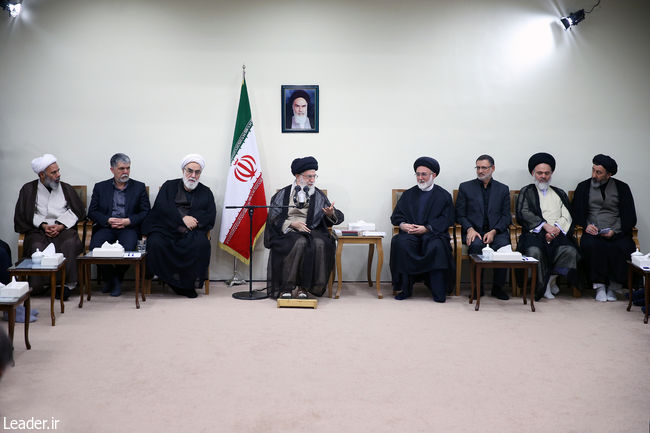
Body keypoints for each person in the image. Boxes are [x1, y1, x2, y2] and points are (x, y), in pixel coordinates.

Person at [265, 156, 343, 299]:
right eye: (308, 177)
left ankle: (304, 287)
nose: (312, 180)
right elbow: (273, 217)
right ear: (297, 176)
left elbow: (331, 215)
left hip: (311, 230)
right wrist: (292, 224)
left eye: (314, 176)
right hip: (288, 231)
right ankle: (286, 287)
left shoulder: (318, 195)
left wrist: (330, 214)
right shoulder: (283, 194)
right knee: (299, 242)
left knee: (318, 242)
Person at [142, 154, 216, 298]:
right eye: (190, 171)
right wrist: (182, 219)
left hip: (192, 231)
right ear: (183, 170)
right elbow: (161, 209)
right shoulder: (169, 186)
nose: (193, 175)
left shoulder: (206, 192)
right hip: (167, 229)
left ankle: (186, 284)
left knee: (202, 244)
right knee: (155, 242)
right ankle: (170, 280)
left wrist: (193, 222)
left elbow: (210, 215)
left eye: (197, 172)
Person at [14, 154, 85, 300]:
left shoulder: (66, 188)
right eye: (53, 172)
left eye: (58, 171)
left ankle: (64, 286)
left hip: (63, 228)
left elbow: (77, 211)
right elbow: (25, 214)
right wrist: (43, 225)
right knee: (36, 246)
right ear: (42, 175)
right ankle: (40, 285)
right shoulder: (28, 190)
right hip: (38, 230)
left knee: (69, 243)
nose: (58, 175)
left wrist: (60, 225)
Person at [572, 154, 636, 302]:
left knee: (623, 246)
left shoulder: (622, 188)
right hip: (592, 231)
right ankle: (599, 286)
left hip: (616, 231)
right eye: (593, 170)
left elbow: (630, 215)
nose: (594, 175)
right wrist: (586, 226)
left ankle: (613, 287)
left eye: (598, 172)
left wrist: (616, 230)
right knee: (592, 245)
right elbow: (576, 212)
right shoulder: (583, 187)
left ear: (609, 174)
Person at [390, 157, 455, 302]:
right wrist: (402, 225)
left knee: (437, 246)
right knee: (400, 243)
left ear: (434, 175)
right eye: (418, 174)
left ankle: (438, 290)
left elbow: (447, 219)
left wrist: (427, 228)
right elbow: (396, 216)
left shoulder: (444, 196)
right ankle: (405, 289)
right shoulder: (408, 194)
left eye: (424, 174)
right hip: (410, 234)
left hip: (433, 234)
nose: (420, 178)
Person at [516, 152, 579, 301]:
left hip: (557, 234)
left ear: (551, 173)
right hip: (535, 233)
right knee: (534, 251)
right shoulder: (527, 191)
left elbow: (567, 214)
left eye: (546, 173)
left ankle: (549, 281)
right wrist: (545, 226)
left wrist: (556, 228)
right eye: (539, 173)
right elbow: (523, 213)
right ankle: (540, 286)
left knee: (569, 251)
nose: (543, 176)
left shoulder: (559, 192)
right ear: (533, 173)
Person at [88, 153, 151, 297]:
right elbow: (92, 211)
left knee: (128, 249)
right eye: (121, 169)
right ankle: (113, 279)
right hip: (106, 227)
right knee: (95, 249)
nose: (126, 172)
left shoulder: (139, 187)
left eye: (128, 168)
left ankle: (115, 279)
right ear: (112, 170)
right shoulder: (100, 187)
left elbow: (146, 211)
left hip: (128, 227)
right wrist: (108, 220)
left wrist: (129, 220)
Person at [456, 154, 511, 300]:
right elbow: (460, 215)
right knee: (476, 246)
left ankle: (497, 288)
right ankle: (477, 288)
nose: (480, 171)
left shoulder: (503, 189)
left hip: (496, 231)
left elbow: (506, 217)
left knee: (504, 248)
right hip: (474, 231)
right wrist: (470, 229)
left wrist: (494, 231)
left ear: (492, 168)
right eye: (478, 167)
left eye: (484, 168)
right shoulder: (465, 187)